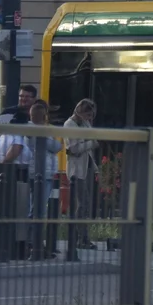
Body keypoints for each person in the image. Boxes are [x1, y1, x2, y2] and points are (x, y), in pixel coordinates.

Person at [63, 99, 99, 250]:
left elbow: (91, 140)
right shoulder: (69, 125)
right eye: (88, 115)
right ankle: (80, 237)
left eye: (91, 116)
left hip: (87, 167)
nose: (89, 119)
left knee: (87, 204)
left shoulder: (84, 123)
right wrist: (90, 143)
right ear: (80, 112)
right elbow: (74, 149)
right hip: (76, 170)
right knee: (82, 204)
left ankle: (84, 237)